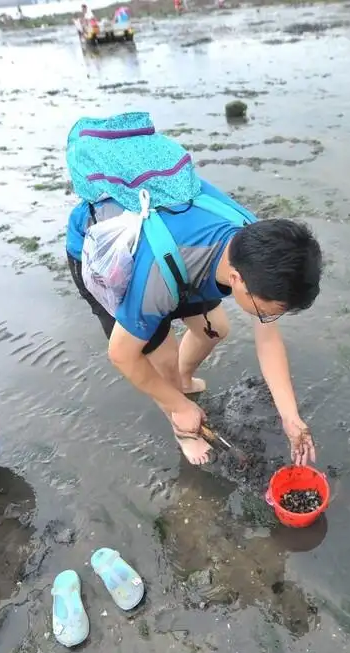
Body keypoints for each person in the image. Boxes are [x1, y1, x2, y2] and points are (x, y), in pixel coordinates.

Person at [66, 180, 322, 466]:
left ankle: (183, 382)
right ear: (237, 280)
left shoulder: (257, 246)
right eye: (267, 312)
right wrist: (179, 405)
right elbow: (121, 355)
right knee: (163, 357)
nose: (268, 318)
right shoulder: (157, 281)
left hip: (177, 255)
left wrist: (291, 417)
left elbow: (268, 337)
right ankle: (184, 429)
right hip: (109, 256)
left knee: (215, 330)